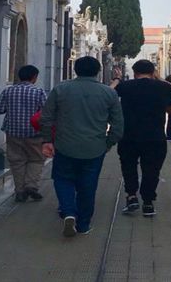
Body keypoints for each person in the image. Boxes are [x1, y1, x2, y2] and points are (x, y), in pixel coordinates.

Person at [40, 56, 123, 237]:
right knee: (88, 185)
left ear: (76, 70)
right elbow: (118, 125)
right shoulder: (109, 93)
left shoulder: (60, 90)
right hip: (94, 147)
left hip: (64, 145)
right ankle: (84, 224)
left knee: (63, 180)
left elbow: (46, 117)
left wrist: (47, 140)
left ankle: (69, 212)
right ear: (98, 71)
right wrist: (108, 143)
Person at [111, 60, 171, 217]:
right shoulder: (162, 87)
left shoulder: (126, 86)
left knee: (129, 167)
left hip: (129, 136)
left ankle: (132, 196)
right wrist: (159, 78)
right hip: (155, 136)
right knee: (152, 170)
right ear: (153, 72)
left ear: (134, 72)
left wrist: (117, 79)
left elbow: (109, 92)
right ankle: (148, 203)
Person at [0, 65, 47, 202]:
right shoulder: (39, 92)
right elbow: (46, 113)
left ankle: (19, 191)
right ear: (34, 77)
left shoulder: (8, 91)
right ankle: (31, 185)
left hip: (13, 132)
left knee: (17, 161)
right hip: (34, 132)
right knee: (36, 159)